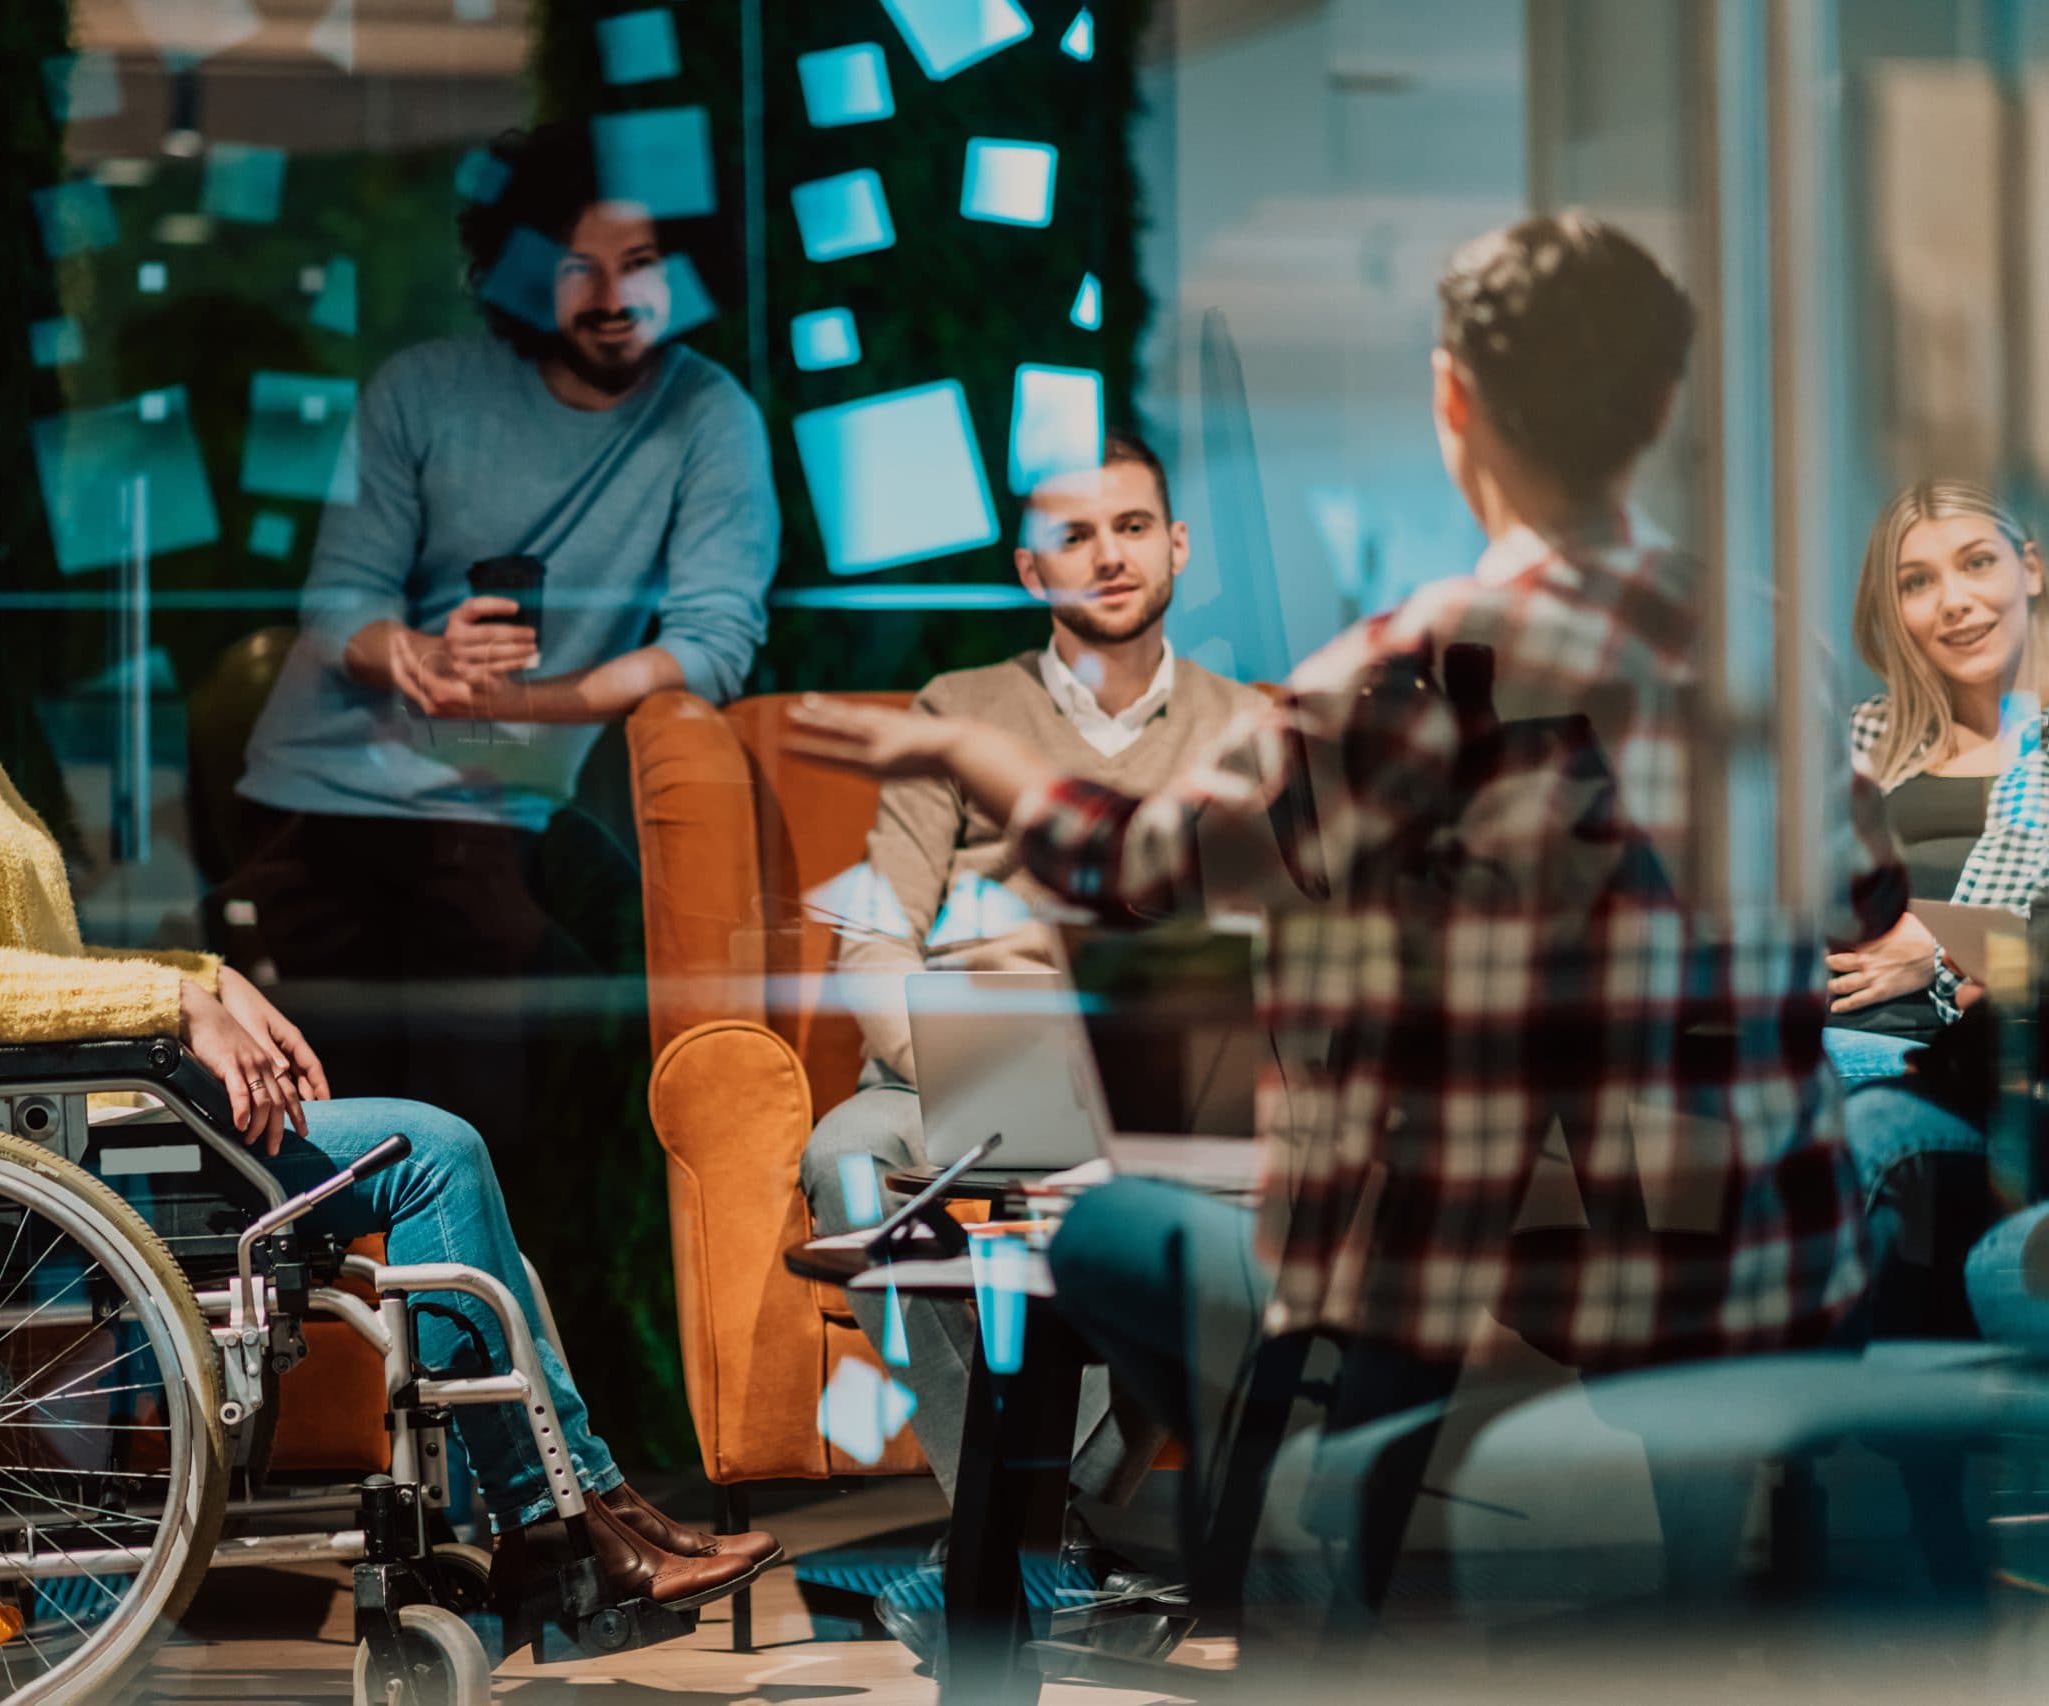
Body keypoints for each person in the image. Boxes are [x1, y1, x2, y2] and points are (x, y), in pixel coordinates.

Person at [790, 215, 1915, 1596]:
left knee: (1128, 1235)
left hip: (1470, 1251)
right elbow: (1863, 892)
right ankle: (1698, 1594)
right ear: (1661, 406)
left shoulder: (1413, 668)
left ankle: (1234, 1546)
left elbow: (1144, 869)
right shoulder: (1763, 635)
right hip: (1768, 1241)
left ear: (1455, 401)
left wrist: (980, 763)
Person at [0, 423, 779, 1618]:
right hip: (18, 1162)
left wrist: (210, 976)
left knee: (439, 1166)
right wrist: (176, 996)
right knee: (429, 1154)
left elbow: (24, 965)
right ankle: (555, 1524)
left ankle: (575, 1513)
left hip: (52, 1129)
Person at [228, 118, 778, 1137]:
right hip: (319, 798)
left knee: (474, 1115)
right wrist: (414, 654)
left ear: (689, 266)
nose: (613, 297)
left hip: (492, 808)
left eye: (643, 262)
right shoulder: (422, 388)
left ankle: (459, 1292)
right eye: (579, 265)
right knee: (319, 1127)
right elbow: (339, 597)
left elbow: (711, 643)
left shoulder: (709, 416)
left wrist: (527, 702)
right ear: (525, 268)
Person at [796, 435, 1246, 1513]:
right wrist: (948, 1065)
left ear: (1175, 544)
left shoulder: (1245, 726)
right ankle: (1018, 1524)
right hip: (948, 1077)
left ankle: (1039, 1530)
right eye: (1072, 536)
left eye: (1131, 527)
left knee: (1227, 1210)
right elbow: (875, 934)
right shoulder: (954, 709)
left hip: (1158, 1092)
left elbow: (1259, 951)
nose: (1108, 555)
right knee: (847, 1162)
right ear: (1028, 569)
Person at [1825, 481, 2049, 1080]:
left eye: (1977, 563)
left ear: (2030, 569)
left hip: (1949, 1059)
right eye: (1917, 582)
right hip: (1814, 1032)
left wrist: (1938, 955)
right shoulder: (1863, 737)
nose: (1954, 601)